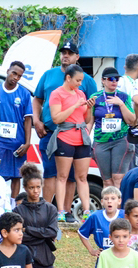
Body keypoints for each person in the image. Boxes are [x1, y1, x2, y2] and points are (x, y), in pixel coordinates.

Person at [32, 40, 97, 203]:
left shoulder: (86, 80)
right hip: (50, 131)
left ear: (77, 57)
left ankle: (65, 211)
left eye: (70, 53)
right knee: (50, 173)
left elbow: (92, 107)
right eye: (63, 53)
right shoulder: (48, 75)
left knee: (72, 176)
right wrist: (36, 120)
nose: (65, 56)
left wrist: (87, 129)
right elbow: (37, 99)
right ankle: (46, 209)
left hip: (75, 134)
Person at [47, 64, 94, 224]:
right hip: (65, 137)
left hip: (81, 138)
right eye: (77, 80)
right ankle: (60, 210)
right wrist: (74, 106)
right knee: (62, 176)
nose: (80, 84)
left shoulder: (80, 93)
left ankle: (86, 210)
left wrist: (89, 108)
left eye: (81, 81)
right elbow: (56, 118)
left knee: (82, 177)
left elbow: (86, 119)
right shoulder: (57, 94)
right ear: (68, 78)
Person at [0, 61, 33, 198]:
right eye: (14, 73)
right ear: (8, 71)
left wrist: (27, 143)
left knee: (17, 176)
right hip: (0, 141)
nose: (16, 77)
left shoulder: (24, 93)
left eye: (19, 76)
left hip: (18, 142)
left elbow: (28, 119)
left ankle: (13, 204)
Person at [89, 66, 136, 189]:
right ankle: (109, 202)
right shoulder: (95, 97)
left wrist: (120, 104)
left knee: (118, 178)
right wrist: (85, 138)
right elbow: (89, 121)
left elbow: (132, 120)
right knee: (107, 181)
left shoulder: (124, 96)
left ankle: (120, 202)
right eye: (111, 79)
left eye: (116, 79)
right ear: (103, 80)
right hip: (101, 141)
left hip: (120, 140)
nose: (114, 81)